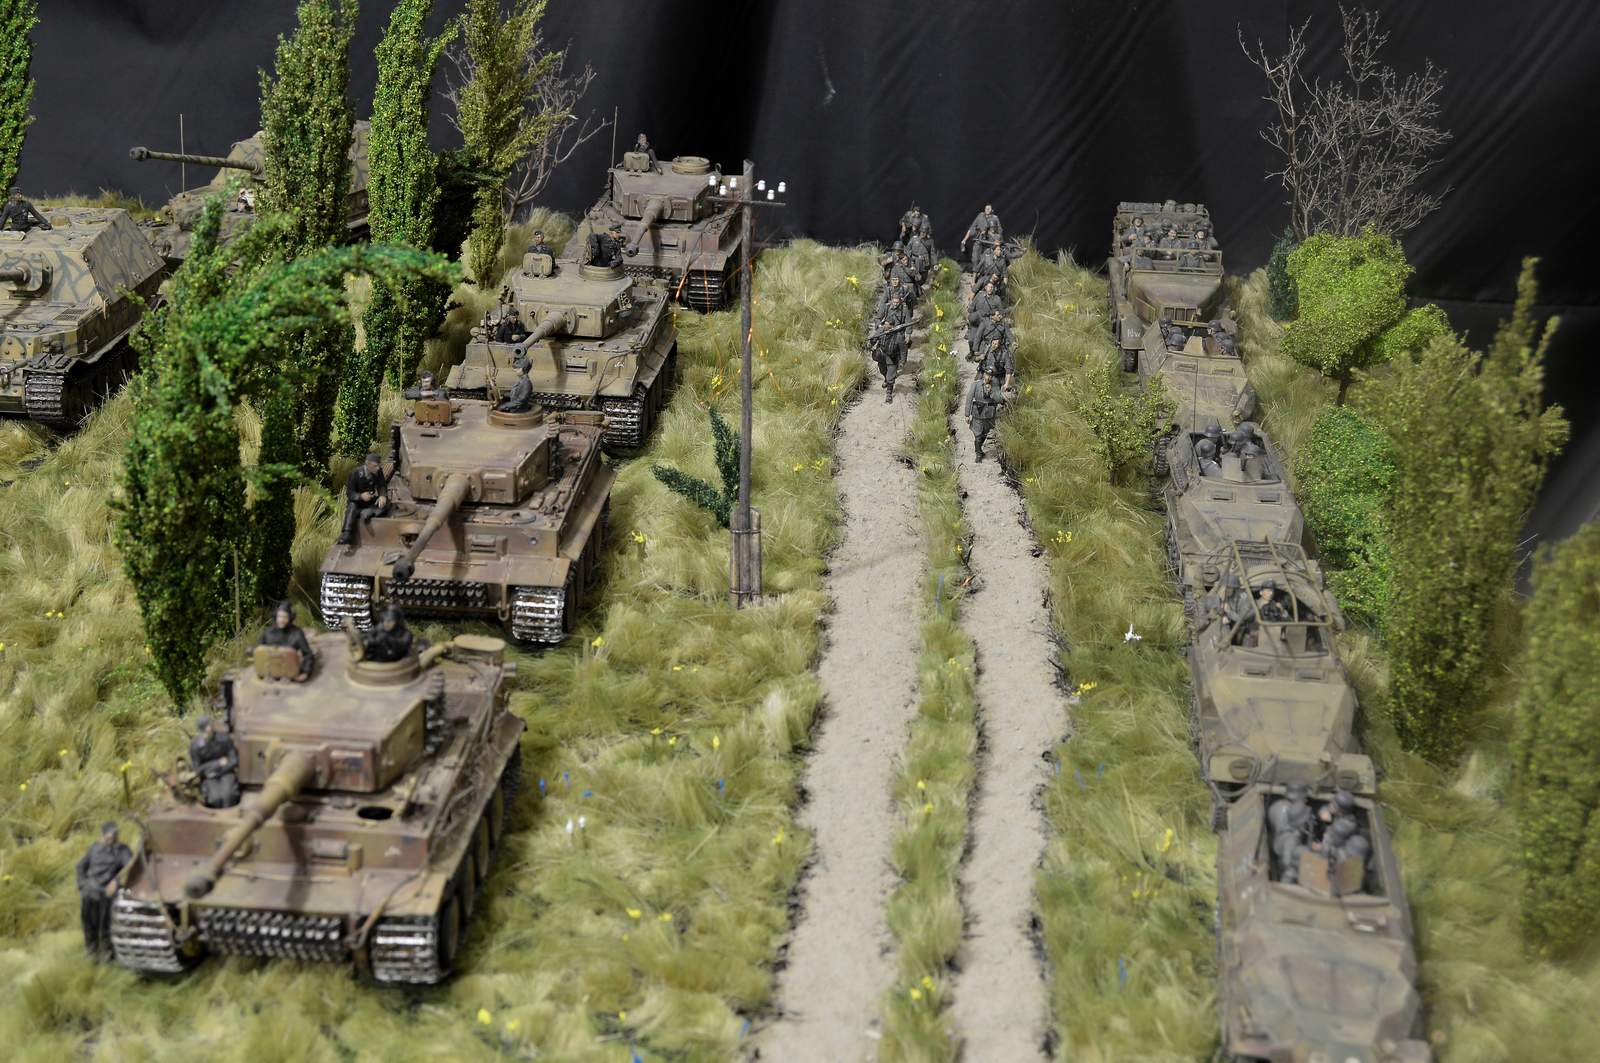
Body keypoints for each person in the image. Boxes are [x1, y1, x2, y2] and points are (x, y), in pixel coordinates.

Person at [76, 822, 132, 960]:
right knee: (89, 925)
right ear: (103, 835)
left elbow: (130, 869)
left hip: (107, 894)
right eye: (108, 836)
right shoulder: (94, 848)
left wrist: (116, 881)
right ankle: (91, 953)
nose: (110, 838)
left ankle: (107, 955)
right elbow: (80, 866)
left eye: (113, 836)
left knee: (106, 927)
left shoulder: (122, 851)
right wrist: (82, 885)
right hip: (90, 892)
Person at [188, 715, 241, 809]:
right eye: (207, 726)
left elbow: (233, 760)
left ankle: (229, 815)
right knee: (215, 799)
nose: (210, 727)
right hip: (209, 775)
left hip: (226, 772)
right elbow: (197, 769)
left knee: (229, 796)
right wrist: (217, 763)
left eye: (210, 725)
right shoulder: (195, 745)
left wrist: (219, 770)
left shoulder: (223, 738)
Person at [337, 452, 390, 546]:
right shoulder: (355, 474)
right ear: (367, 464)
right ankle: (346, 533)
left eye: (378, 466)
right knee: (352, 507)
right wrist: (360, 496)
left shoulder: (378, 472)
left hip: (370, 500)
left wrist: (382, 496)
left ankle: (368, 512)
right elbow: (349, 493)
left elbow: (382, 485)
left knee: (387, 504)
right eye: (375, 466)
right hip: (357, 502)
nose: (378, 468)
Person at [257, 600, 314, 680]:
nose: (281, 620)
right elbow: (259, 649)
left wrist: (305, 672)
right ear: (276, 617)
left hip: (290, 670)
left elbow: (307, 654)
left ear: (290, 618)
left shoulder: (297, 633)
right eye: (279, 616)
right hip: (270, 670)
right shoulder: (268, 632)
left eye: (284, 617)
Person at [966, 371, 1004, 462]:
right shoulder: (976, 385)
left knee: (985, 433)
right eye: (987, 375)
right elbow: (969, 399)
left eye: (990, 376)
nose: (988, 377)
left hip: (989, 414)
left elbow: (999, 399)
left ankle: (979, 449)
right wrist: (967, 414)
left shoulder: (995, 386)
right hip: (978, 413)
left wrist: (991, 391)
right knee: (978, 434)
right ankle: (978, 453)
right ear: (984, 375)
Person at [961, 204, 1002, 271]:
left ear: (992, 210)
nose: (987, 210)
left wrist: (998, 240)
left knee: (989, 257)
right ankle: (975, 272)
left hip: (990, 241)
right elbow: (972, 228)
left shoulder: (995, 218)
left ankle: (988, 272)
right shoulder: (980, 216)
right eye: (986, 208)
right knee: (975, 257)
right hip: (979, 239)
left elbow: (1000, 230)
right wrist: (964, 240)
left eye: (989, 208)